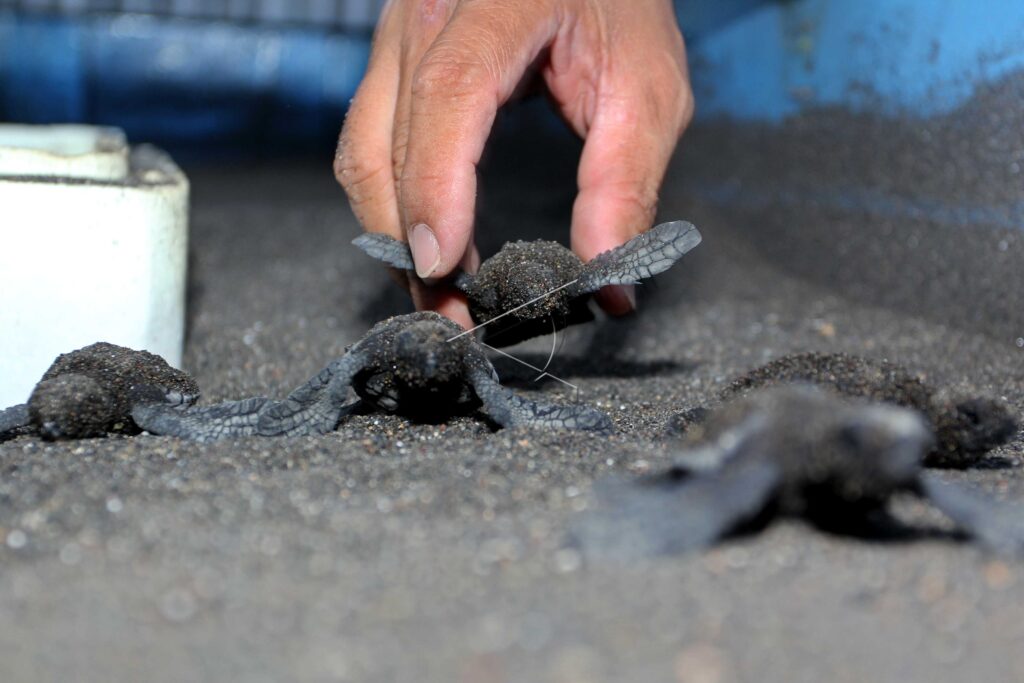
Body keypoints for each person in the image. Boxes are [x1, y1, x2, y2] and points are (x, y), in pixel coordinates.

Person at [335, 0, 693, 330]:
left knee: (443, 266)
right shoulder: (496, 290)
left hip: (559, 281)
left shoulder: (568, 281)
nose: (533, 289)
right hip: (521, 291)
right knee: (438, 270)